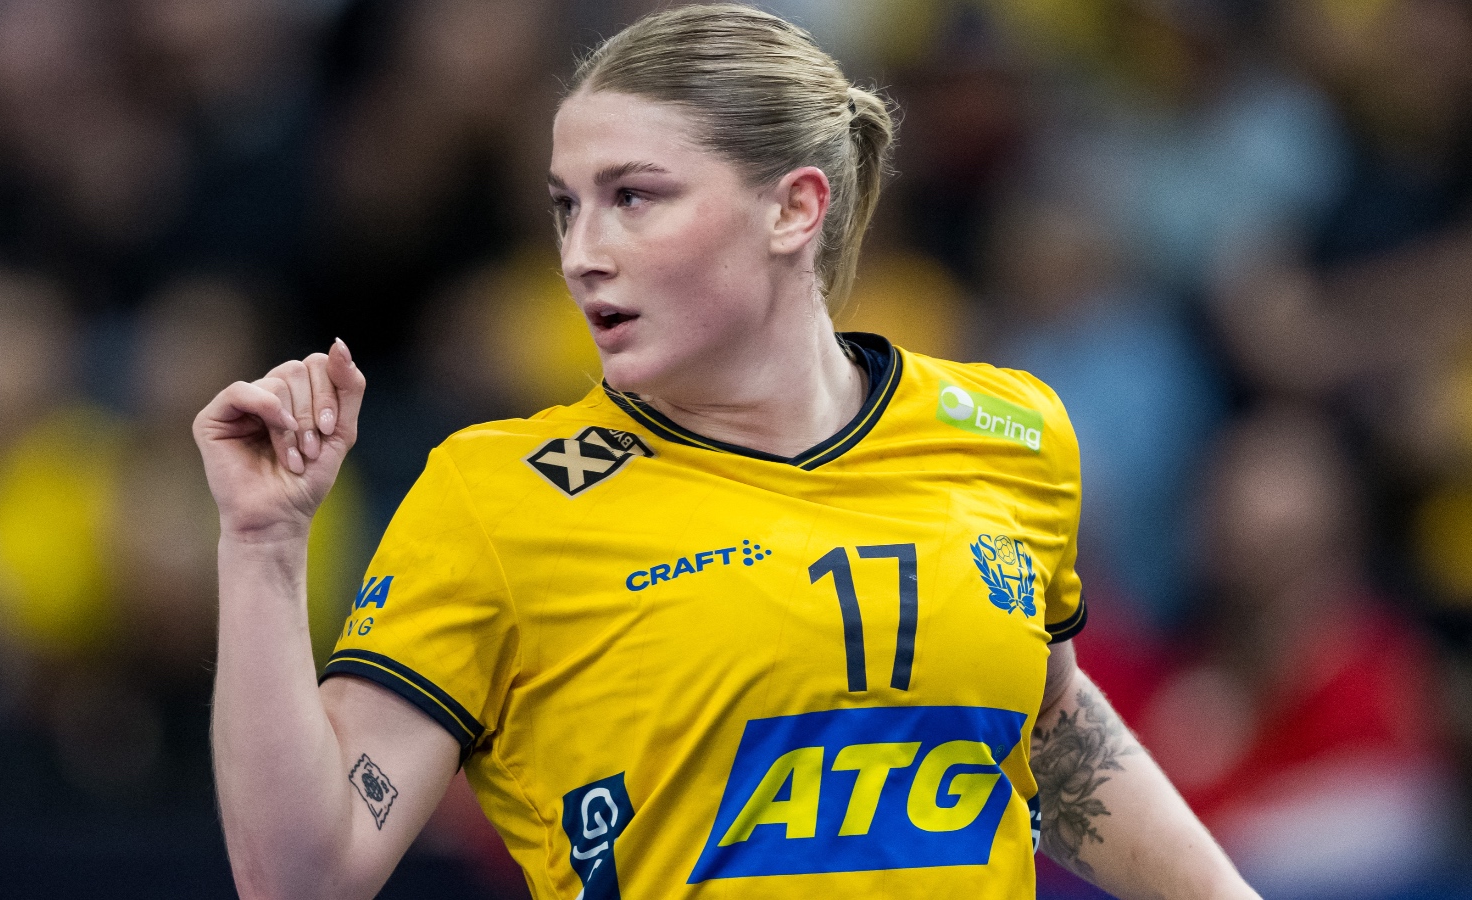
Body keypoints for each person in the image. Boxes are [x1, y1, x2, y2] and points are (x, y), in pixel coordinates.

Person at [194, 6, 1257, 898]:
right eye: (565, 207)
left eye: (633, 197)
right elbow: (302, 877)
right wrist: (263, 545)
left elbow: (1051, 723)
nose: (580, 254)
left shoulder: (1009, 431)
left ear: (792, 207)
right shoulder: (497, 497)